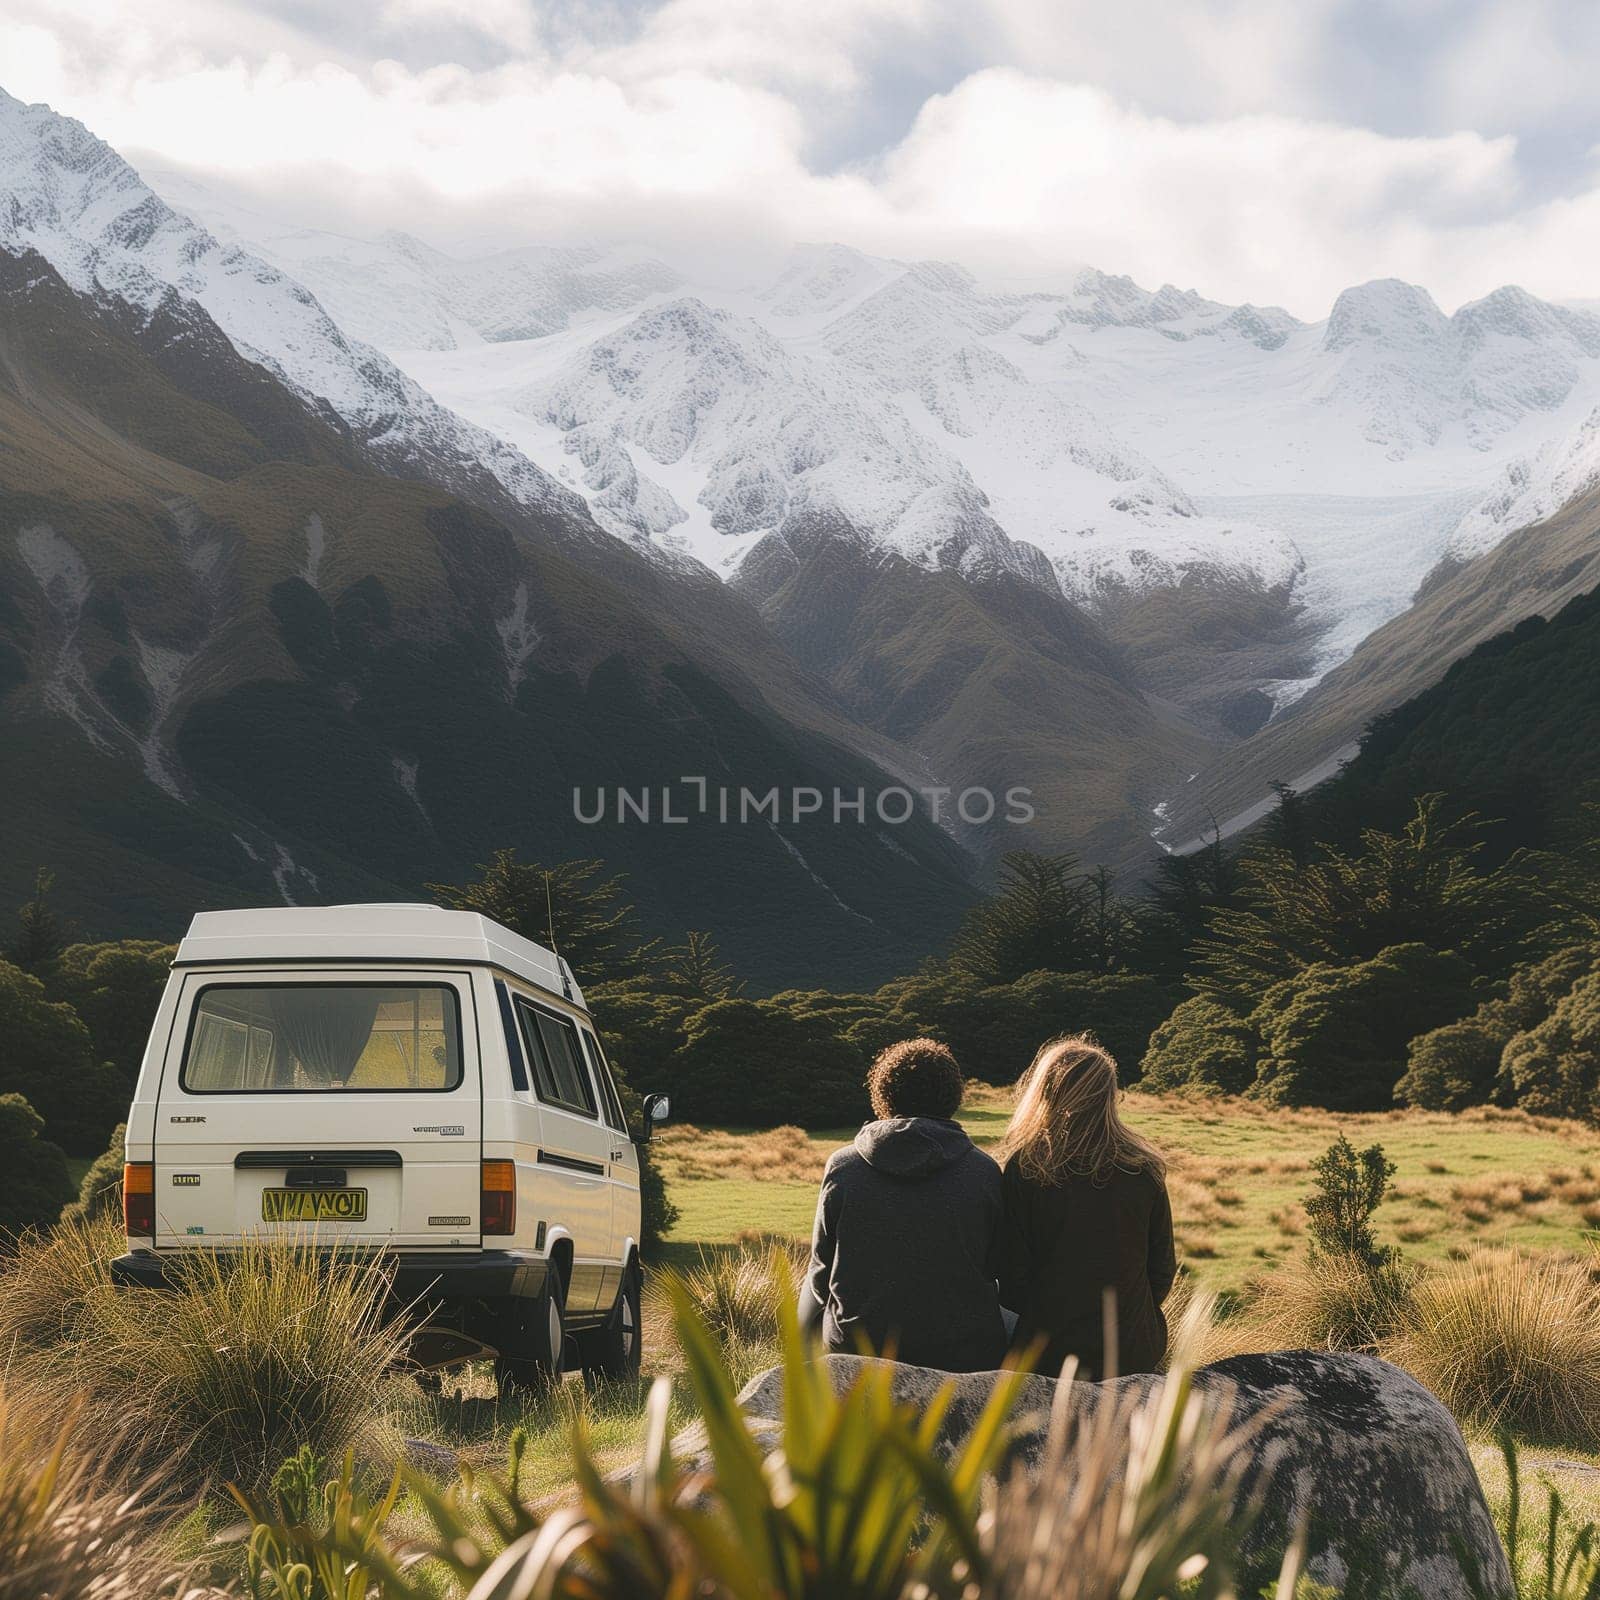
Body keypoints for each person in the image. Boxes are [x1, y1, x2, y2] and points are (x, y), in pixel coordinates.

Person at [804, 1037, 1007, 1371]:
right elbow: (1000, 1268)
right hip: (963, 1355)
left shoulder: (843, 1166)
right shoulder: (983, 1170)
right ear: (951, 1096)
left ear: (883, 1095)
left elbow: (819, 1275)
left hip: (859, 1351)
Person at [997, 1034, 1176, 1379]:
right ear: (1109, 1095)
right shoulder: (1143, 1166)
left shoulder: (1027, 1167)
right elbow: (1162, 1271)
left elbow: (1012, 1279)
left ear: (1045, 1093)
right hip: (1133, 1347)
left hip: (1048, 1349)